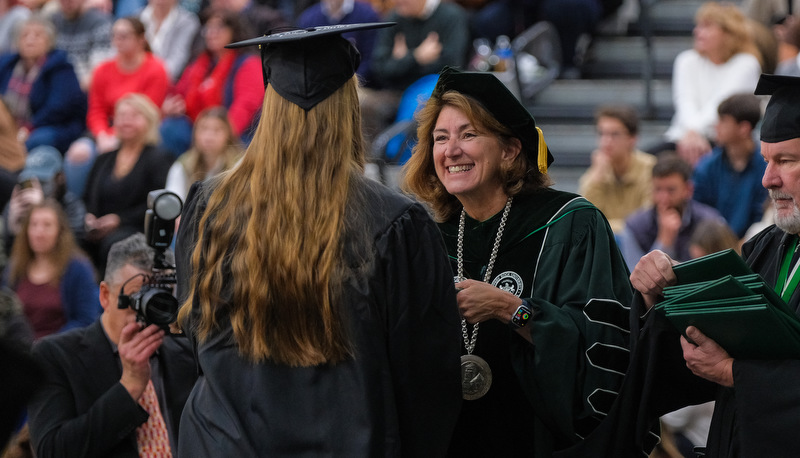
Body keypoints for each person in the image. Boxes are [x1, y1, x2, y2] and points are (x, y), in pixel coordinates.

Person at [174, 23, 462, 456]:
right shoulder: (397, 222)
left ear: (269, 107)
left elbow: (195, 335)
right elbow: (425, 377)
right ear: (348, 107)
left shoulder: (209, 206)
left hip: (222, 441)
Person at [402, 66, 642, 456]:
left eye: (468, 134)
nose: (451, 150)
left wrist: (512, 309)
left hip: (540, 441)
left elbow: (603, 346)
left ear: (510, 149)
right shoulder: (426, 235)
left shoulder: (569, 223)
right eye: (440, 138)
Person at [623, 73, 800, 458]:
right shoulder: (765, 248)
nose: (768, 179)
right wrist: (666, 295)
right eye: (766, 160)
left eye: (785, 160)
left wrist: (735, 373)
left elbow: (733, 366)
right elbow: (705, 351)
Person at [27, 233, 197, 458]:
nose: (146, 314)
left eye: (158, 301)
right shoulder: (55, 356)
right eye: (137, 300)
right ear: (105, 295)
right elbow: (53, 451)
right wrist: (130, 387)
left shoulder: (188, 354)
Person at [655, 1, 762, 167]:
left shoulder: (747, 63)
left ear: (729, 33)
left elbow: (721, 106)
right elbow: (684, 101)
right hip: (682, 138)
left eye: (706, 26)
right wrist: (691, 134)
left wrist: (694, 132)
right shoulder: (686, 60)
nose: (696, 32)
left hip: (724, 140)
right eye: (698, 26)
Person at [82, 93, 172, 276]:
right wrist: (89, 217)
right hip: (97, 229)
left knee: (115, 245)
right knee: (72, 240)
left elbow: (159, 205)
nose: (126, 121)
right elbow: (86, 196)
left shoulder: (159, 158)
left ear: (149, 121)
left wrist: (119, 220)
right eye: (121, 116)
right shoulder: (104, 158)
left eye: (134, 116)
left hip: (137, 228)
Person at [360, 0, 469, 147]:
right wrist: (416, 57)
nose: (398, 2)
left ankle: (418, 163)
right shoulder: (395, 17)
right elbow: (379, 68)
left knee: (423, 107)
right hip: (397, 91)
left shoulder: (451, 16)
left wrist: (400, 61)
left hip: (436, 91)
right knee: (366, 106)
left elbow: (451, 66)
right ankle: (377, 163)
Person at [159, 9, 264, 156]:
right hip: (199, 130)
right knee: (170, 128)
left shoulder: (249, 64)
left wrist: (216, 134)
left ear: (234, 31)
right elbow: (178, 94)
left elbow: (245, 107)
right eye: (208, 28)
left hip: (234, 134)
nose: (212, 33)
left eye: (219, 27)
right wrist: (170, 107)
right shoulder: (199, 64)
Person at [3, 199, 99, 340]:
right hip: (19, 351)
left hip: (59, 352)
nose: (39, 232)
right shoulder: (16, 266)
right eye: (34, 225)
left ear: (60, 231)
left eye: (47, 225)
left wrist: (47, 345)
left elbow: (85, 320)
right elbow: (5, 311)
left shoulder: (78, 268)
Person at [619, 153, 725, 269]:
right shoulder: (634, 227)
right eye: (658, 189)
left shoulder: (711, 220)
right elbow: (634, 280)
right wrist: (664, 242)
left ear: (688, 190)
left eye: (671, 190)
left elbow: (722, 268)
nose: (663, 199)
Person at [0, 16, 87, 154]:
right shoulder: (7, 64)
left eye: (37, 35)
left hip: (52, 126)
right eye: (25, 35)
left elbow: (58, 108)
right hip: (12, 126)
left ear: (49, 41)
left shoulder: (61, 66)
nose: (30, 40)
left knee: (35, 140)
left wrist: (29, 128)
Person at [693, 93, 768, 239]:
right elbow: (697, 211)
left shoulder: (766, 167)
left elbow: (763, 216)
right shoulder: (706, 166)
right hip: (711, 246)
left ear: (744, 128)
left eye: (723, 120)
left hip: (756, 246)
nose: (716, 126)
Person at [578, 105, 656, 234]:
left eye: (615, 134)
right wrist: (597, 178)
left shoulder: (651, 169)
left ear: (632, 139)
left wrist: (601, 226)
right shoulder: (596, 172)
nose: (606, 141)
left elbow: (646, 223)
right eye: (601, 134)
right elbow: (582, 221)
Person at [4, 145, 87, 256]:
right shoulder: (16, 206)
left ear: (59, 178)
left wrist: (40, 210)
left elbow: (72, 249)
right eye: (30, 181)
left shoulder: (72, 205)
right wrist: (13, 229)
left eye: (42, 182)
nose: (36, 188)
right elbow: (11, 257)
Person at [164, 106, 241, 202]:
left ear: (228, 134)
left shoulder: (240, 164)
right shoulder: (184, 164)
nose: (209, 137)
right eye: (203, 129)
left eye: (217, 130)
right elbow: (173, 199)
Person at [295, 0, 380, 83]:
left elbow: (371, 59)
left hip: (360, 85)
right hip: (318, 87)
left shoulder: (367, 16)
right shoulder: (307, 19)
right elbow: (303, 62)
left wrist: (351, 83)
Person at [51, 0, 114, 89]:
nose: (67, 2)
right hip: (58, 81)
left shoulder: (101, 23)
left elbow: (100, 67)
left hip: (85, 85)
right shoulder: (54, 20)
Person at [139, 0, 200, 82]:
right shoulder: (137, 17)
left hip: (165, 82)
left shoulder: (187, 22)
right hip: (135, 77)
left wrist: (151, 78)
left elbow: (178, 59)